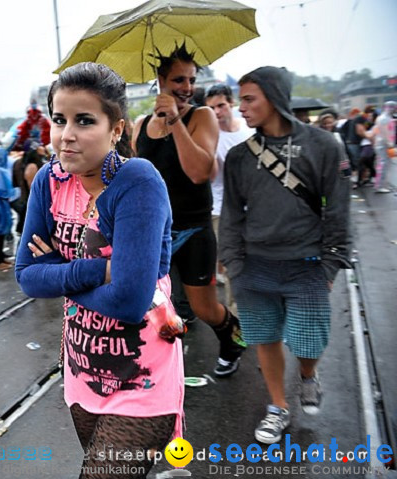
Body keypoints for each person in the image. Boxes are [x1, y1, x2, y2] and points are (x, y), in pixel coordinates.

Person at [16, 62, 183, 479]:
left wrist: (61, 271)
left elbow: (129, 301)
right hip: (81, 371)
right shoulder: (49, 182)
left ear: (116, 129)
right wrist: (100, 270)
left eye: (84, 121)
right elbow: (26, 275)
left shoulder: (137, 182)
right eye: (59, 119)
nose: (66, 134)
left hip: (142, 374)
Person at [220, 66, 350, 444]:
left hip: (307, 265)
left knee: (309, 342)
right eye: (240, 99)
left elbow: (338, 210)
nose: (240, 107)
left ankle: (308, 376)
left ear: (274, 97)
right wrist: (235, 262)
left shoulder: (324, 145)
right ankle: (278, 406)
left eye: (248, 99)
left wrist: (330, 265)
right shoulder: (241, 157)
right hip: (254, 265)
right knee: (266, 338)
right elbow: (230, 213)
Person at [132, 43, 246, 377]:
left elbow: (198, 172)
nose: (187, 88)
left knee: (205, 308)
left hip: (194, 230)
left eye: (191, 80)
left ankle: (234, 342)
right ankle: (163, 362)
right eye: (179, 80)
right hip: (155, 233)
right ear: (160, 80)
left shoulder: (202, 116)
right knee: (153, 304)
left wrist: (175, 121)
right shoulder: (141, 125)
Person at [205, 83, 255, 309]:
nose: (217, 112)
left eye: (221, 106)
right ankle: (237, 318)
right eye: (212, 108)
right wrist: (211, 142)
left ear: (231, 103)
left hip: (254, 208)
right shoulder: (210, 135)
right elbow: (211, 176)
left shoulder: (248, 129)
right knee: (233, 264)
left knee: (254, 263)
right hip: (221, 210)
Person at [372, 100, 396, 193]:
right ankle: (380, 186)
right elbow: (384, 132)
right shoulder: (384, 118)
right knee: (383, 164)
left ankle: (382, 184)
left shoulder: (384, 117)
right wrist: (389, 142)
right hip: (384, 145)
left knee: (385, 164)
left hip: (382, 144)